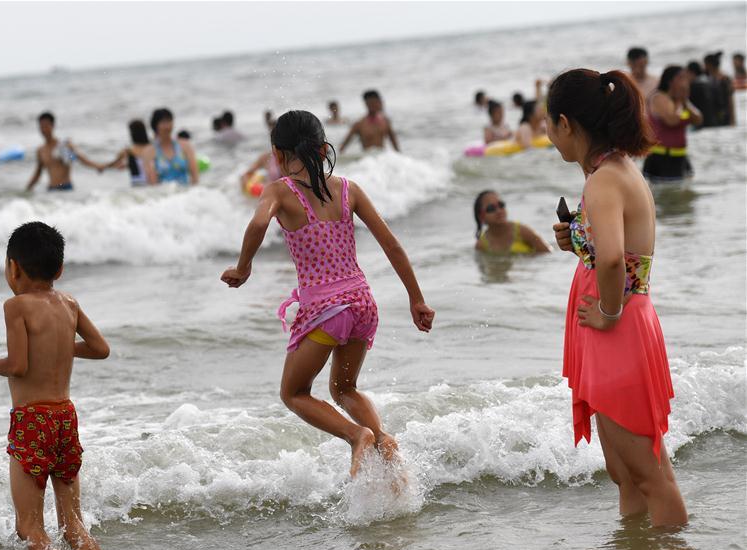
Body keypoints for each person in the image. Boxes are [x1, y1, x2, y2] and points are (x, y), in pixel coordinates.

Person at [221, 110, 434, 477]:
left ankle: (357, 436)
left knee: (294, 392)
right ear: (323, 149)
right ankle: (385, 444)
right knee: (345, 388)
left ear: (277, 154)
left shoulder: (279, 191)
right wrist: (417, 298)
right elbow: (392, 245)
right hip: (363, 303)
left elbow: (258, 222)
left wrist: (244, 267)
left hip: (326, 310)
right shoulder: (348, 189)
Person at [547, 68, 688, 527]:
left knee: (650, 476)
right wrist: (578, 243)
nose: (549, 137)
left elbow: (612, 263)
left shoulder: (603, 180)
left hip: (619, 328)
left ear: (566, 123)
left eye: (550, 126)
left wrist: (608, 314)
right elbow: (613, 255)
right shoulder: (615, 170)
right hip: (619, 325)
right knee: (625, 474)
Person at [0, 221, 109, 550]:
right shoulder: (70, 304)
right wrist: (58, 348)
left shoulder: (16, 306)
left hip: (33, 421)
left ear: (12, 267)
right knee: (73, 523)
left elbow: (18, 365)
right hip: (65, 418)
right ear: (59, 270)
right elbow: (100, 349)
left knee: (29, 528)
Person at [643, 66, 702, 183]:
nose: (685, 82)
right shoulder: (659, 97)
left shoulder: (681, 100)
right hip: (662, 158)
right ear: (670, 81)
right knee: (667, 196)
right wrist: (681, 102)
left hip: (680, 157)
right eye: (681, 78)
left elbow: (698, 120)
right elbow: (672, 120)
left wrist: (685, 101)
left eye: (686, 78)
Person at [24, 112, 102, 192]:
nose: (44, 129)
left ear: (53, 126)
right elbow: (38, 173)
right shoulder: (41, 150)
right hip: (51, 190)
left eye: (46, 126)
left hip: (66, 189)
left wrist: (97, 166)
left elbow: (80, 158)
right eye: (41, 126)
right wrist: (27, 189)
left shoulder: (63, 145)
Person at [473, 191, 550, 253]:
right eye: (491, 208)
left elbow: (547, 252)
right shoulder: (481, 245)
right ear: (481, 216)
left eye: (501, 205)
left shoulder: (522, 231)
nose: (499, 211)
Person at [145, 108, 199, 185]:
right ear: (155, 126)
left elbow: (195, 176)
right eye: (163, 122)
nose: (167, 126)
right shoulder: (150, 151)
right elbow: (152, 182)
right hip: (164, 194)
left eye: (169, 121)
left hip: (186, 193)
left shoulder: (185, 145)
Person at [101, 119, 152, 186]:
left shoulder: (128, 151)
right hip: (153, 182)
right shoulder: (153, 147)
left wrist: (101, 167)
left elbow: (114, 164)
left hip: (137, 183)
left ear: (132, 133)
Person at [704, 52, 735, 126]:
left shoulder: (724, 79)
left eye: (704, 64)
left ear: (709, 65)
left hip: (723, 114)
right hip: (714, 114)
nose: (704, 66)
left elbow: (730, 100)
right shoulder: (708, 78)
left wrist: (733, 120)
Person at [686, 62, 715, 128]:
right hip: (715, 122)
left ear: (691, 72)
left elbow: (689, 110)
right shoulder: (711, 82)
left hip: (702, 124)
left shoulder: (693, 87)